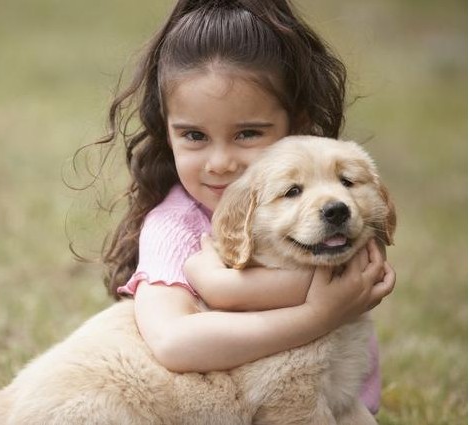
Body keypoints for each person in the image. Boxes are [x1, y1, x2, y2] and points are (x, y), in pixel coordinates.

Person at [83, 0, 396, 415]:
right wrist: (318, 314)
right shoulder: (176, 228)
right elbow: (173, 342)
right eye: (194, 135)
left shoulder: (328, 204)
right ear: (167, 133)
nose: (220, 163)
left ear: (296, 125)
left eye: (247, 133)